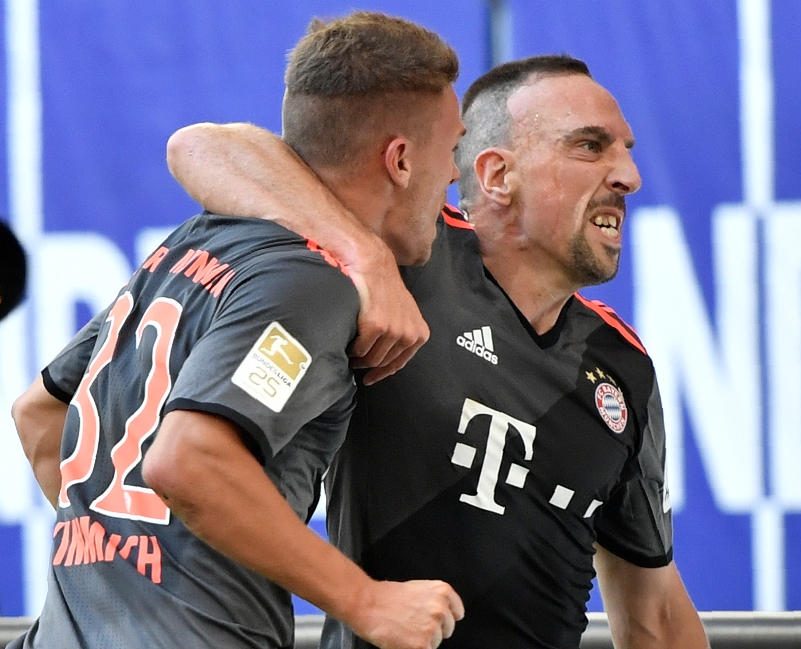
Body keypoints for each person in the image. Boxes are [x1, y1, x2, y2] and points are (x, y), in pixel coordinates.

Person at [167, 54, 709, 649]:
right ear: (497, 176)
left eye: (625, 150)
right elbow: (201, 148)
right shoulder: (406, 254)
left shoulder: (623, 366)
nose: (628, 174)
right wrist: (364, 255)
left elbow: (654, 616)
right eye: (590, 146)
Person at [9, 13, 466, 649]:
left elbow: (38, 414)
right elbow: (190, 460)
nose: (456, 177)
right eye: (453, 150)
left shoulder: (192, 244)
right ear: (400, 159)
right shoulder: (312, 284)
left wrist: (127, 562)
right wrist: (366, 600)